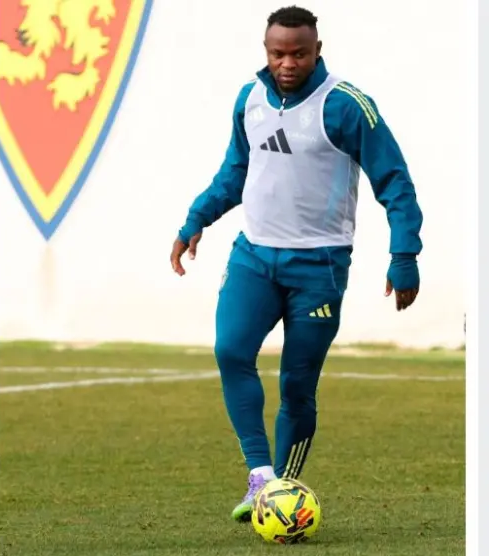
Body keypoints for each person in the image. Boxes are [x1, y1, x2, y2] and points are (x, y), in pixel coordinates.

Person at [169, 6, 422, 522]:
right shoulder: (249, 98)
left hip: (319, 267)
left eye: (299, 54)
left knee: (297, 385)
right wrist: (196, 219)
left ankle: (284, 488)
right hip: (254, 256)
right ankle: (261, 478)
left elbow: (394, 180)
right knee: (230, 350)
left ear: (317, 50)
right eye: (278, 53)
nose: (287, 63)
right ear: (266, 51)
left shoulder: (346, 106)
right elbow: (236, 171)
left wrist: (404, 254)